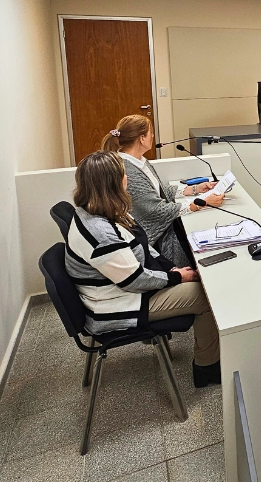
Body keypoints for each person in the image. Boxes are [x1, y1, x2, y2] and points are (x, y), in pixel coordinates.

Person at [65, 151, 221, 387]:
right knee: (206, 294)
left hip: (122, 290)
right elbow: (135, 280)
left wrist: (172, 268)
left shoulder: (98, 210)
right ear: (113, 183)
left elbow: (142, 245)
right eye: (123, 175)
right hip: (118, 304)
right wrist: (176, 277)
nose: (127, 178)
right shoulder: (100, 232)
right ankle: (207, 369)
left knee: (196, 280)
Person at [102, 115, 224, 269]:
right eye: (150, 133)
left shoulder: (139, 161)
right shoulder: (128, 169)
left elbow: (157, 191)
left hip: (165, 225)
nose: (153, 136)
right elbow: (156, 210)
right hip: (156, 240)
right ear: (142, 139)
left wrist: (194, 189)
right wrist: (201, 203)